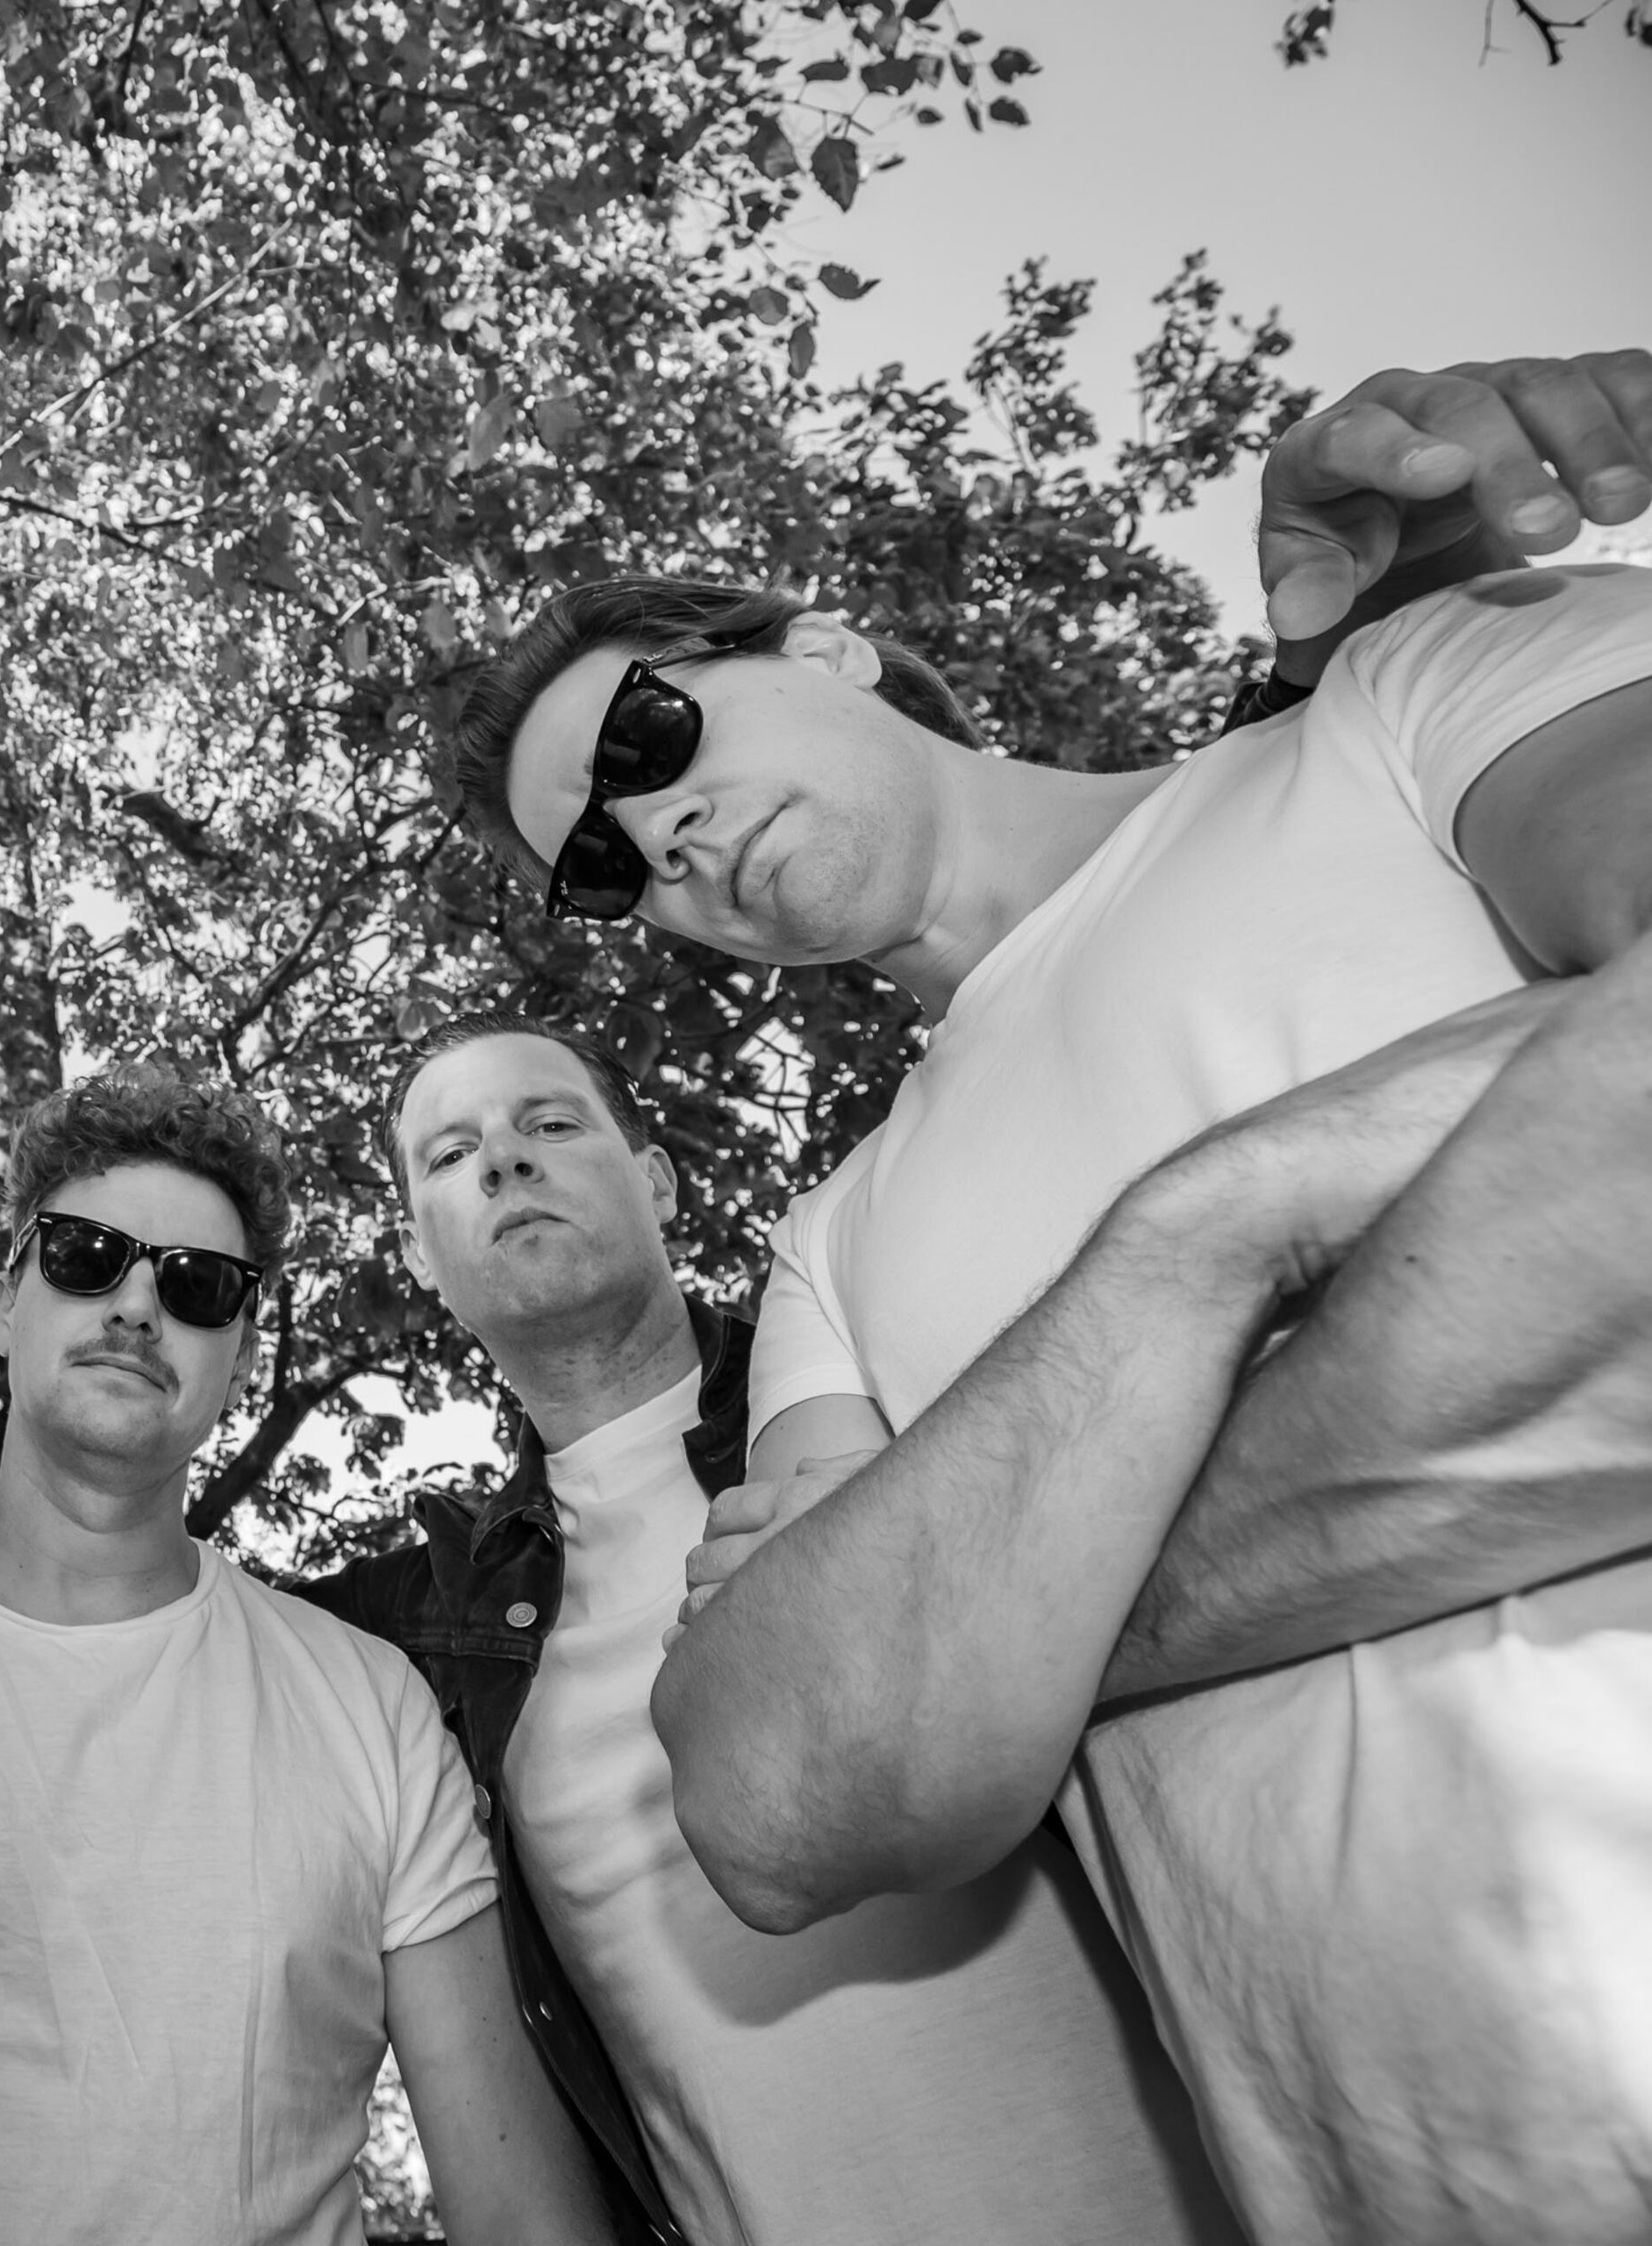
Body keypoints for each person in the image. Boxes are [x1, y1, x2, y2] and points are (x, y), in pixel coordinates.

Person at [454, 351, 1652, 2239]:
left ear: (828, 646)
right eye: (602, 863)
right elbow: (784, 1793)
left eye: (647, 740)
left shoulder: (1402, 698)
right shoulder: (829, 1247)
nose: (655, 836)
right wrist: (1204, 1247)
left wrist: (1032, 1609)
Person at [0, 1030, 1239, 2246]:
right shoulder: (441, 1633)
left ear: (657, 1177)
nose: (509, 1161)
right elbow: (133, 1622)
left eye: (550, 1121)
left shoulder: (895, 1407)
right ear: (422, 1252)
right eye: (451, 1157)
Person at [0, 1062, 604, 2246]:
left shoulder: (371, 1706)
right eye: (84, 1255)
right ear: (2, 1294)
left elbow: (523, 2212)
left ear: (238, 1355)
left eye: (198, 1286)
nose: (136, 1307)